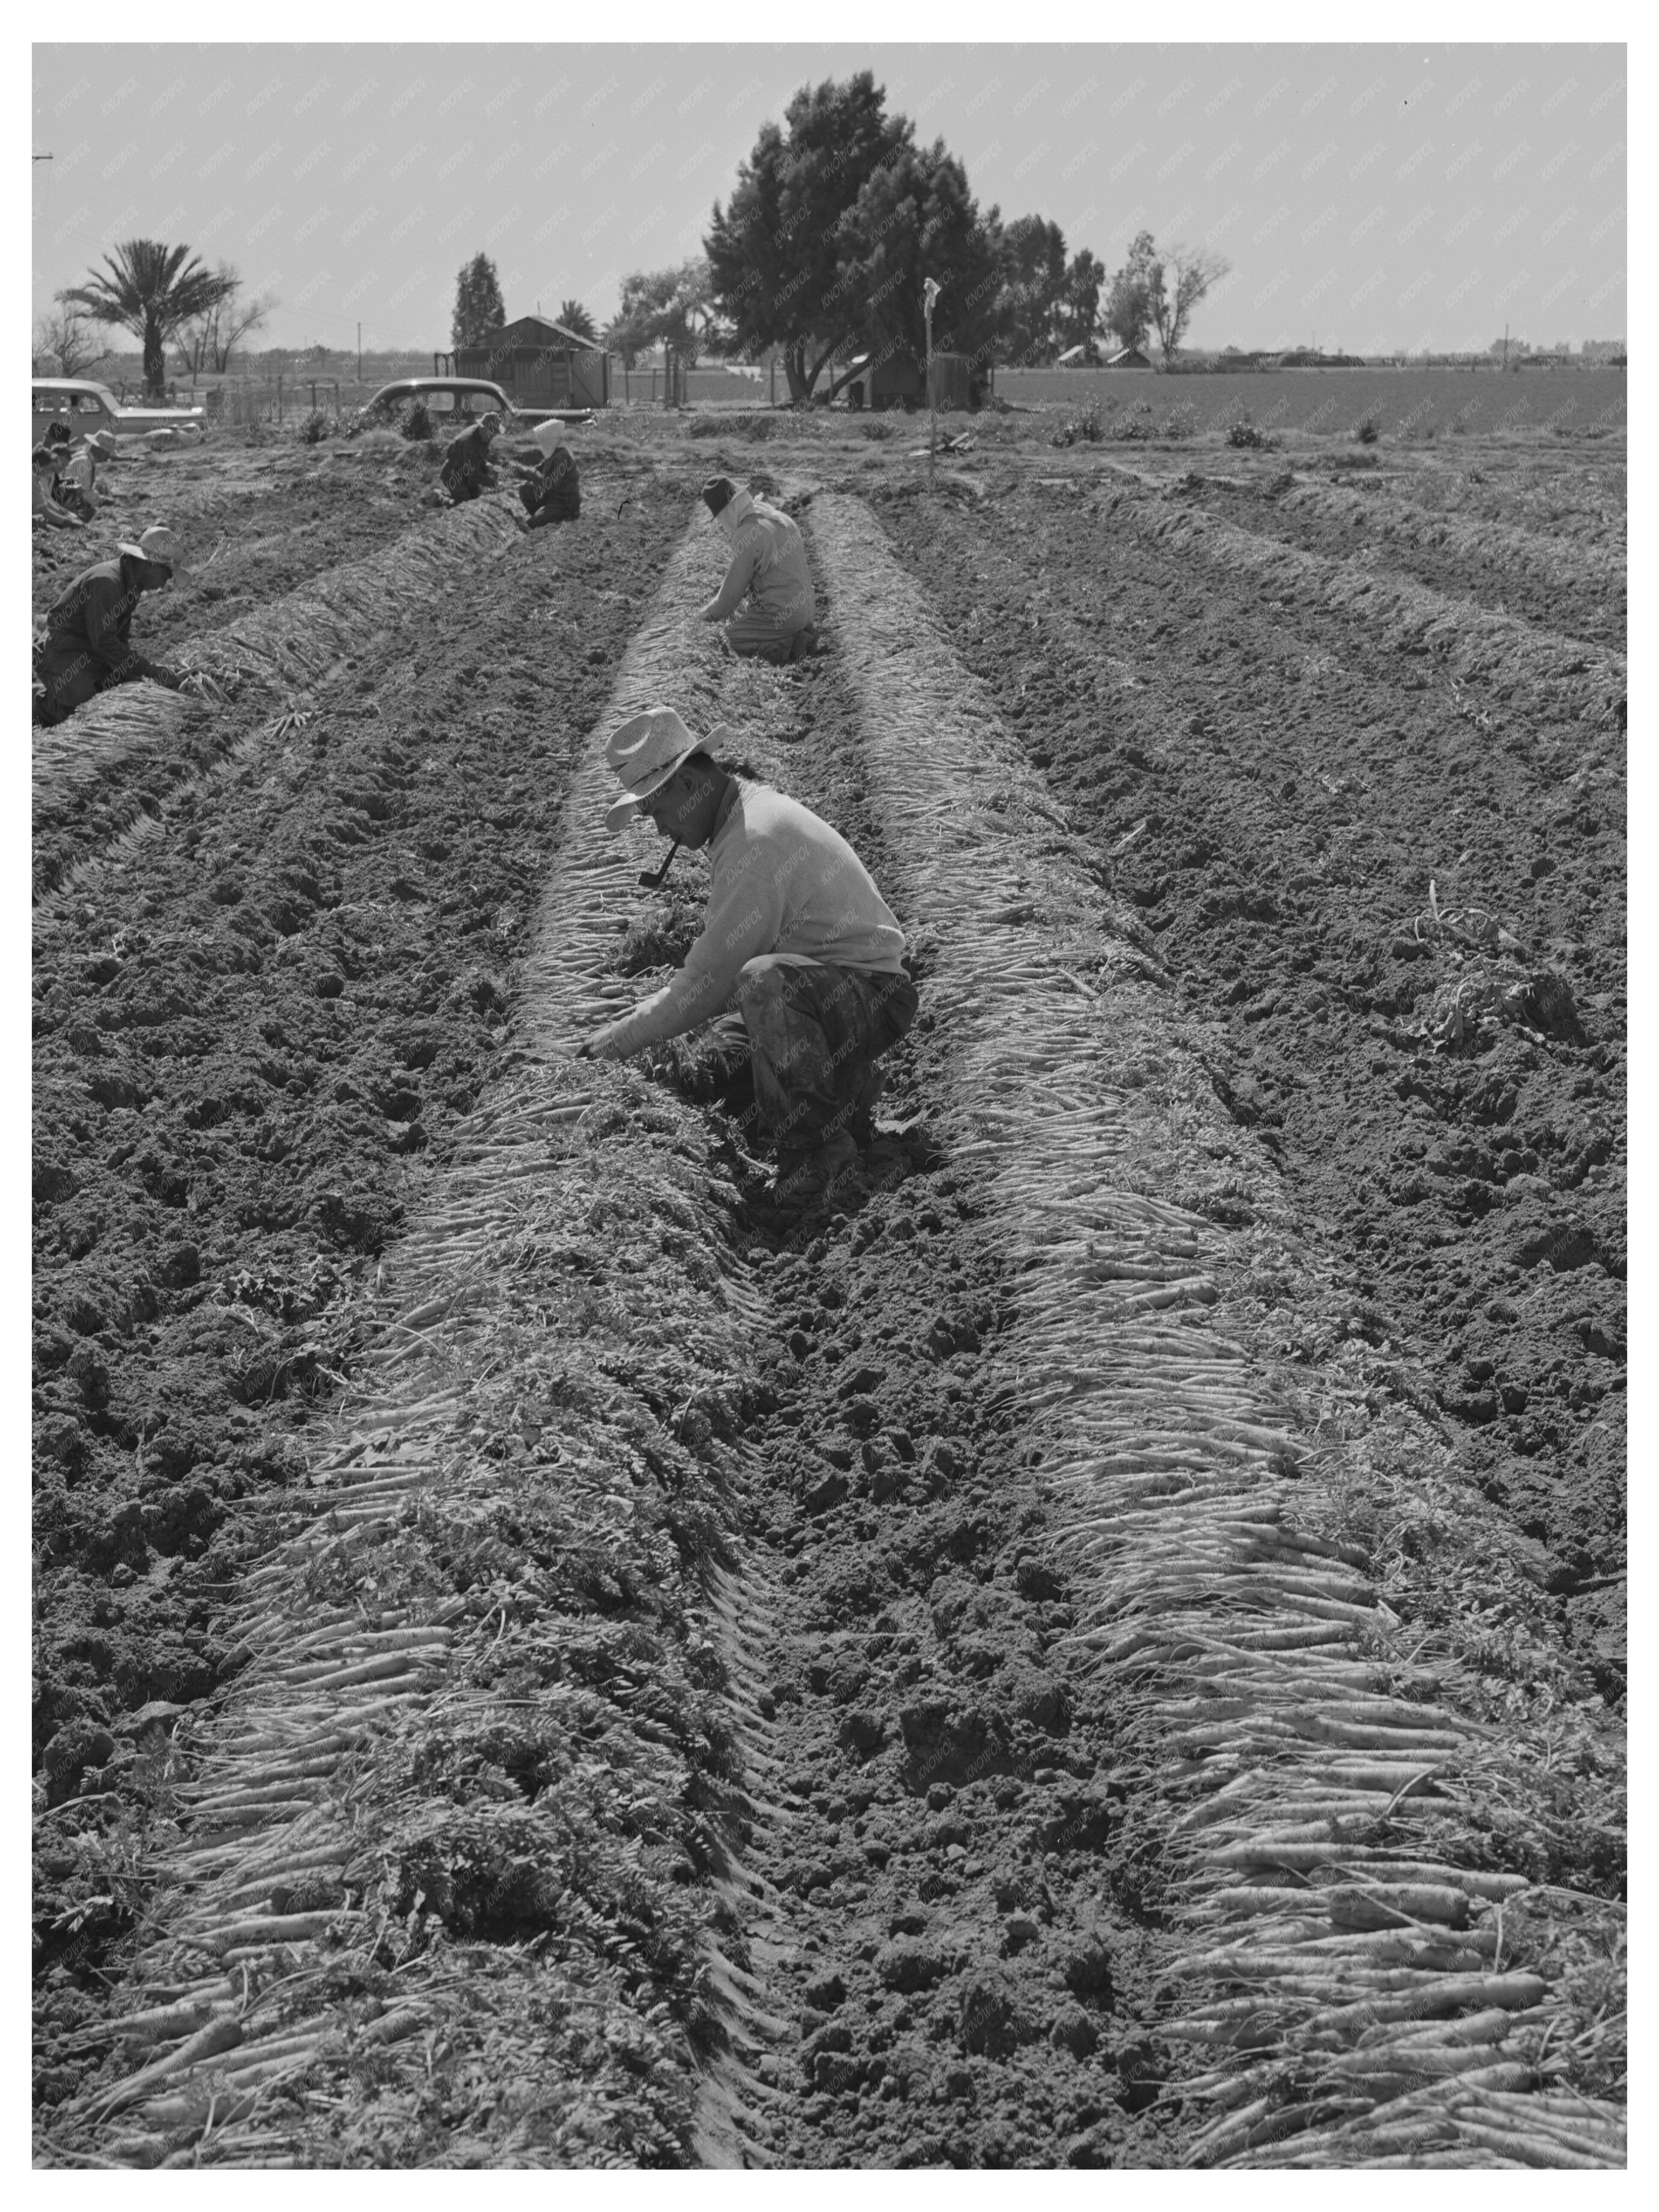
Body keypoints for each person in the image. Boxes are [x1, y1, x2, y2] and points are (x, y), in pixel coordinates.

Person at [577, 705, 917, 1201]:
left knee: (761, 981)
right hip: (824, 992)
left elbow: (709, 982)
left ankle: (817, 1154)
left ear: (689, 787)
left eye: (656, 814)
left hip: (870, 996)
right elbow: (709, 978)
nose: (660, 832)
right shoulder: (742, 819)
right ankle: (846, 1087)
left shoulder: (753, 842)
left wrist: (615, 1044)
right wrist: (633, 1025)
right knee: (710, 1069)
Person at [33, 525, 188, 726]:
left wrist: (136, 673)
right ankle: (37, 706)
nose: (164, 585)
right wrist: (148, 670)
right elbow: (104, 642)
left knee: (120, 694)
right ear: (151, 565)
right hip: (63, 652)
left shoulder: (131, 587)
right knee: (83, 714)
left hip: (87, 654)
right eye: (166, 576)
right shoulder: (108, 582)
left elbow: (119, 639)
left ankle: (53, 695)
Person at [697, 476, 820, 664]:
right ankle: (797, 636)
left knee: (720, 642)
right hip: (808, 611)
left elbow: (729, 599)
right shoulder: (777, 518)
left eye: (721, 518)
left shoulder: (747, 534)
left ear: (728, 512)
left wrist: (697, 622)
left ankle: (786, 645)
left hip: (781, 615)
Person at [516, 422, 580, 528]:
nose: (542, 443)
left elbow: (551, 485)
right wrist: (521, 471)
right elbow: (539, 469)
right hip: (552, 499)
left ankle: (558, 516)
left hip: (564, 504)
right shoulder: (553, 455)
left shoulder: (562, 457)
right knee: (525, 490)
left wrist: (533, 476)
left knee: (531, 525)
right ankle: (545, 515)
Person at [439, 409, 501, 503]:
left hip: (466, 470)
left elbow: (480, 458)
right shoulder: (470, 442)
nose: (493, 436)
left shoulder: (484, 436)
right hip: (453, 472)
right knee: (465, 501)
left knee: (476, 498)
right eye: (492, 432)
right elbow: (474, 473)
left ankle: (453, 496)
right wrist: (494, 484)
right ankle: (443, 501)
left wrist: (487, 465)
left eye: (494, 433)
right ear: (483, 428)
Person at [33, 444, 84, 530]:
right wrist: (69, 522)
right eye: (50, 469)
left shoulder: (36, 478)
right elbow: (46, 512)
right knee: (56, 532)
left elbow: (46, 502)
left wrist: (65, 514)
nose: (50, 472)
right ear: (40, 466)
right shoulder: (33, 480)